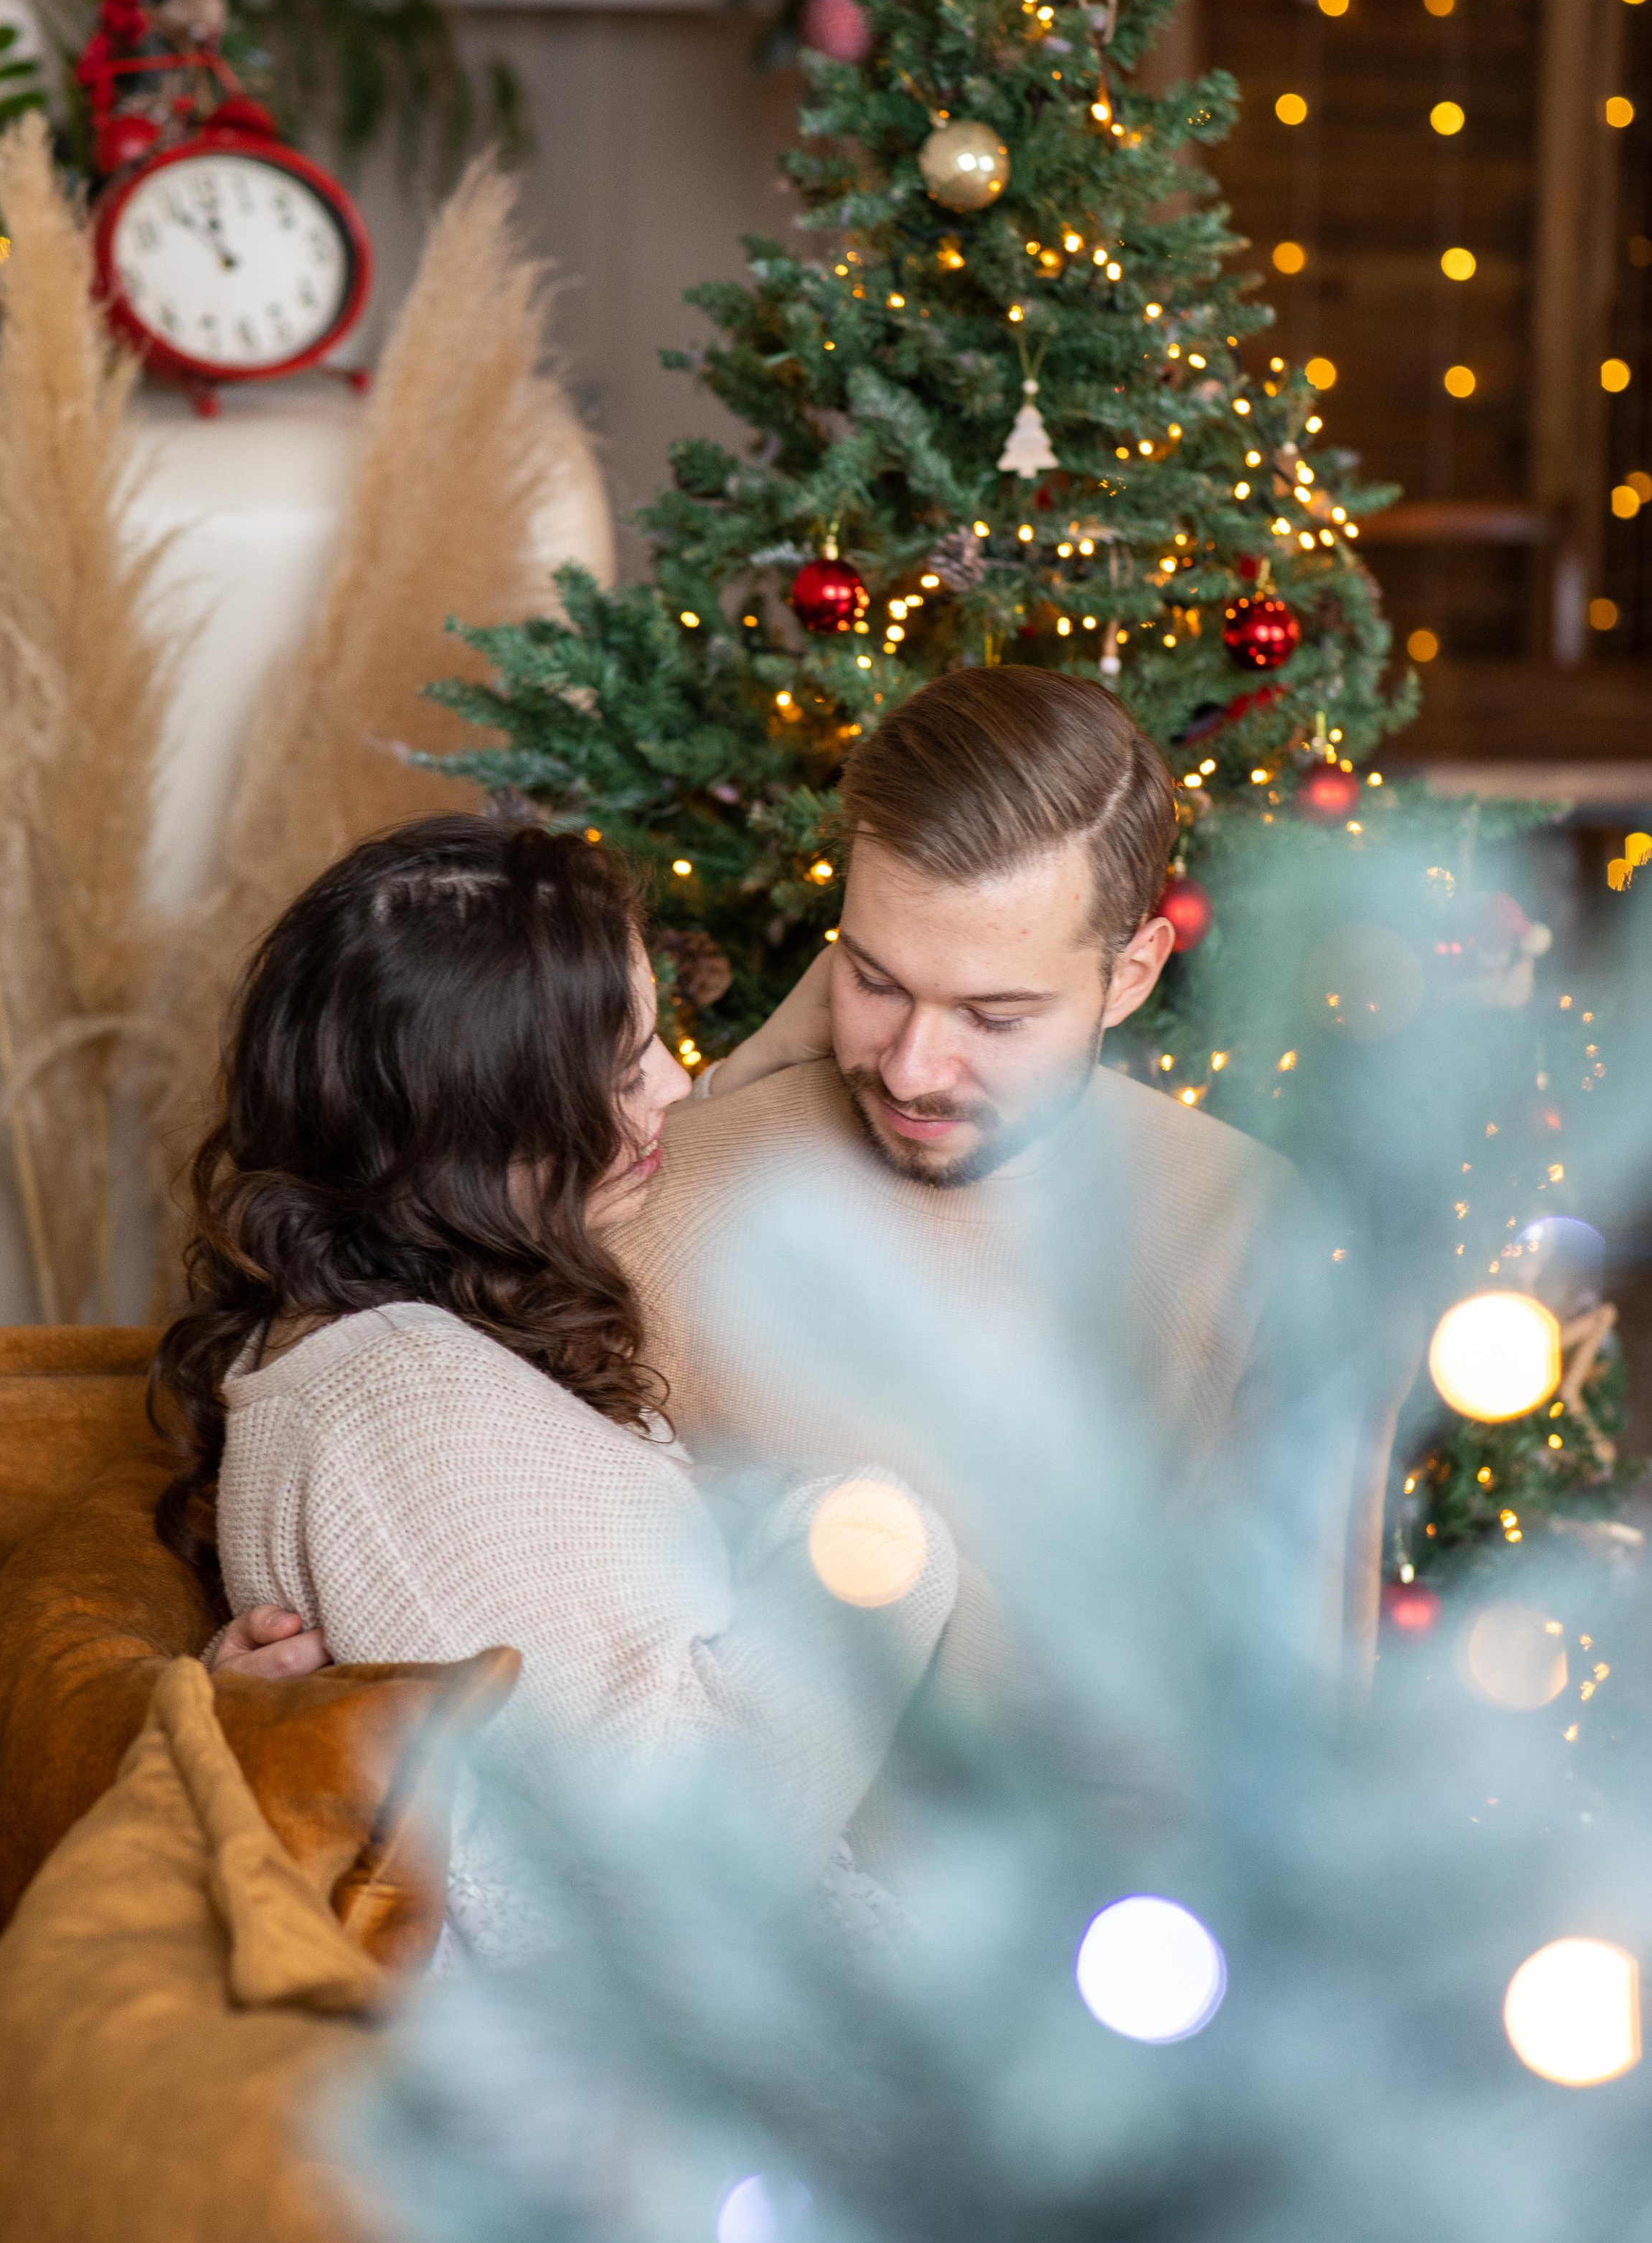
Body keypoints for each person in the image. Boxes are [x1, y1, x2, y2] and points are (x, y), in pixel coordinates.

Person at [219, 669, 1384, 1697]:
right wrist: (258, 1699)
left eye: (995, 1015)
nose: (917, 1070)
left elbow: (1309, 1715)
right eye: (874, 981)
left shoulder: (1262, 1234)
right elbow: (378, 1466)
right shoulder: (645, 1179)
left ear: (1130, 976)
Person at [151, 815, 955, 1962]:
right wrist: (878, 1551)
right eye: (624, 1068)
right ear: (475, 1128)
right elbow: (678, 1878)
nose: (673, 1090)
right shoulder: (410, 1408)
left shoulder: (363, 1342)